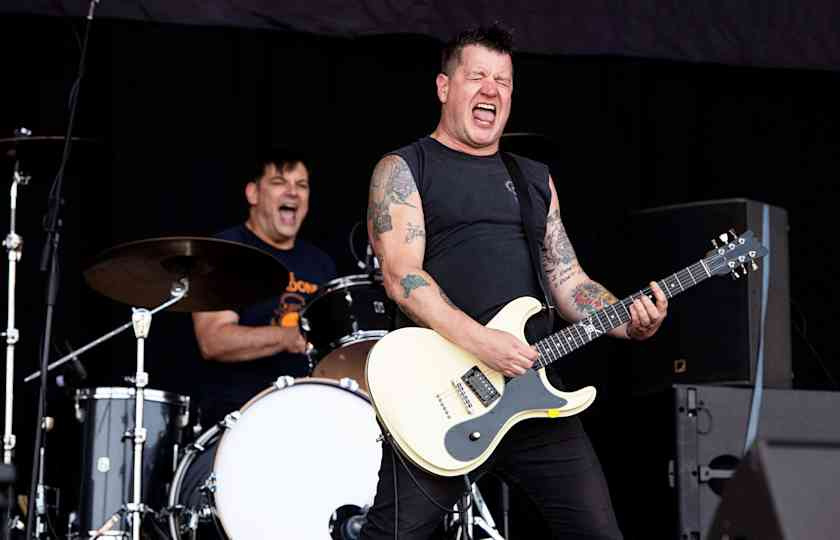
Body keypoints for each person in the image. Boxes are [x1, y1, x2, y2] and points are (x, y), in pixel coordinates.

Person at [360, 25, 667, 539]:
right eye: (477, 76)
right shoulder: (404, 169)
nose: (491, 90)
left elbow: (568, 281)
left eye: (502, 81)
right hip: (443, 391)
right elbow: (401, 275)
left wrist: (628, 322)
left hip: (532, 389)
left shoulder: (533, 179)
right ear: (444, 87)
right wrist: (483, 343)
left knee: (597, 533)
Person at [192, 149, 337, 426]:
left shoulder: (321, 264)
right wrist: (287, 337)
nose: (293, 192)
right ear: (253, 193)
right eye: (279, 182)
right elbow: (213, 340)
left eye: (301, 185)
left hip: (306, 413)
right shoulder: (224, 251)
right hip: (238, 415)